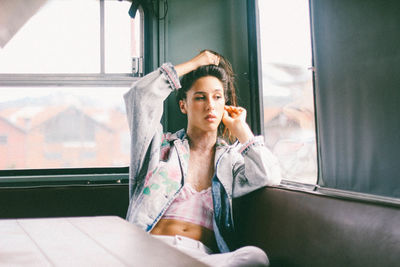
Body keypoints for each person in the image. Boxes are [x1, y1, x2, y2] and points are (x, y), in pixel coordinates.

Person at [124, 50, 282, 266]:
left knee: (255, 257)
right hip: (151, 250)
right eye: (200, 97)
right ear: (183, 105)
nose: (210, 105)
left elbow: (269, 176)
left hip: (202, 258)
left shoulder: (230, 162)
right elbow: (140, 96)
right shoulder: (159, 147)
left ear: (224, 104)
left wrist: (242, 130)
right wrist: (194, 63)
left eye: (217, 97)